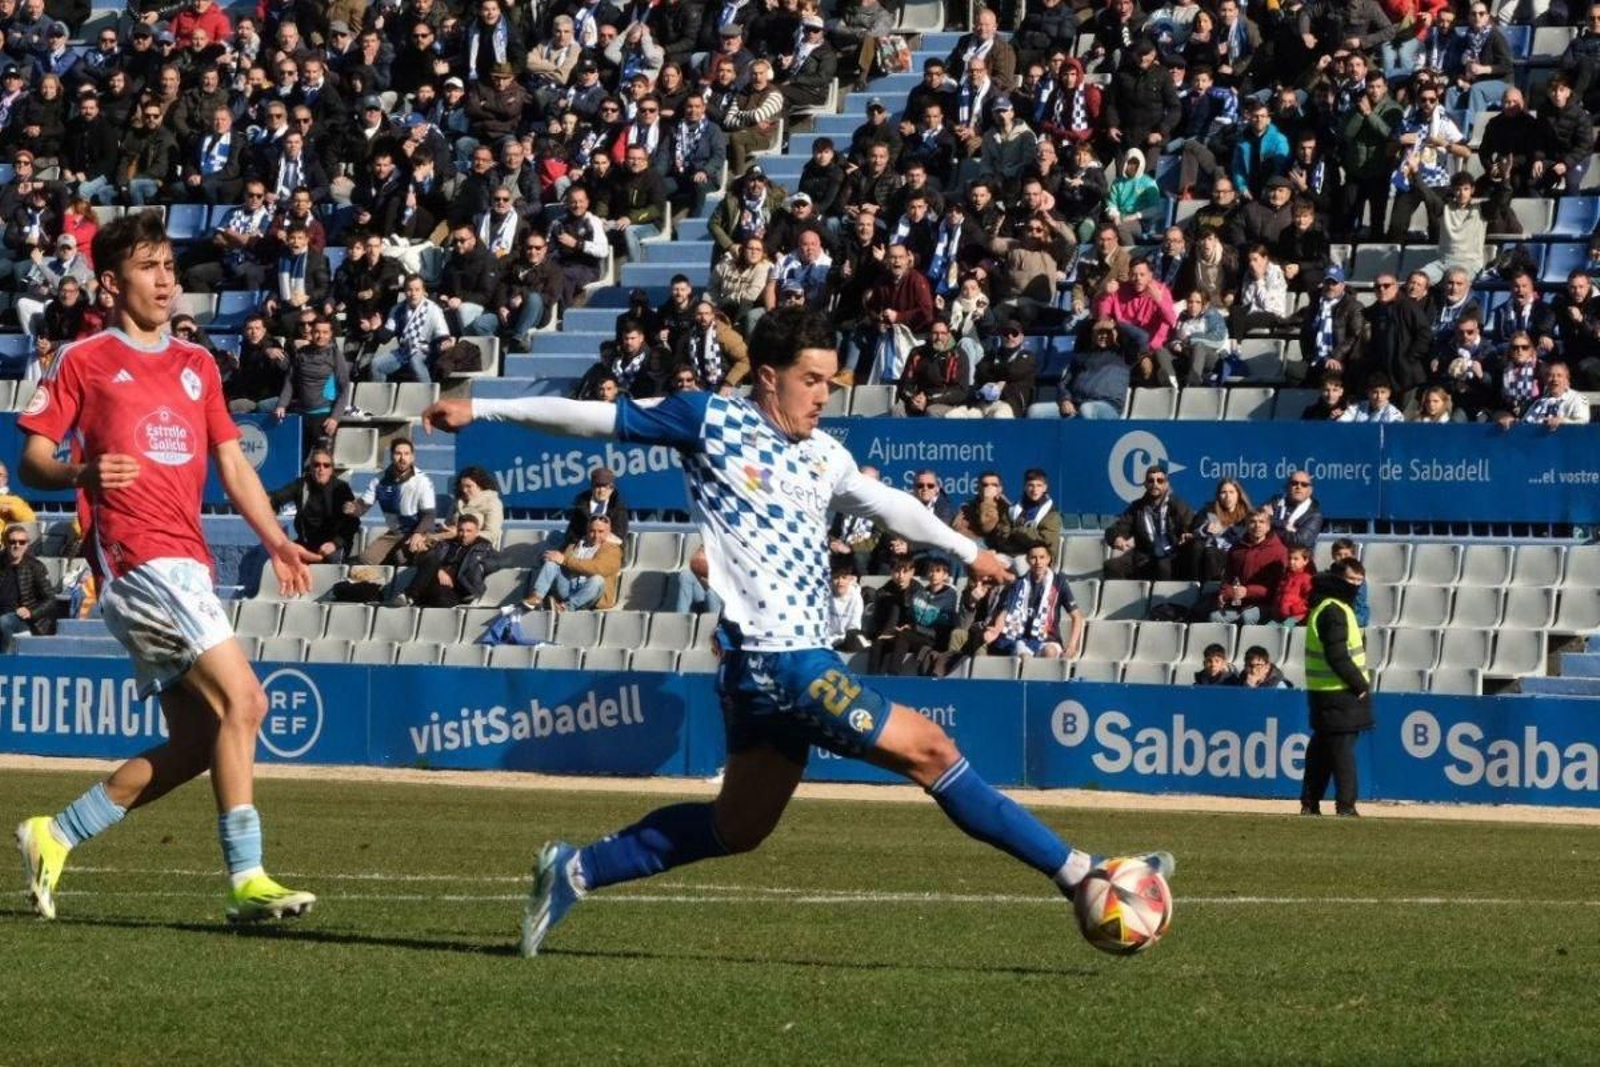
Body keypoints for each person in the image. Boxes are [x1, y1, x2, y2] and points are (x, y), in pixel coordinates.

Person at [420, 306, 1171, 956]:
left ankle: (573, 870)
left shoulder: (822, 453)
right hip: (781, 660)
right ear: (768, 375)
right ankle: (1084, 873)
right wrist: (484, 408)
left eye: (831, 382)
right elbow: (599, 419)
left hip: (771, 668)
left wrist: (970, 549)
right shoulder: (711, 420)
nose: (822, 394)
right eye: (811, 379)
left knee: (738, 826)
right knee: (932, 750)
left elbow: (886, 506)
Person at [13, 211, 318, 924]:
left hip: (186, 559)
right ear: (112, 281)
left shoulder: (198, 363)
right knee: (247, 702)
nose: (165, 279)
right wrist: (81, 470)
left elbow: (232, 462)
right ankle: (248, 878)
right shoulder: (82, 359)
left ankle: (55, 834)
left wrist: (274, 538)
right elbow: (30, 459)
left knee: (200, 743)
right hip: (136, 558)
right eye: (149, 267)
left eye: (169, 267)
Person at [1301, 556, 1372, 817]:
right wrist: (1359, 685)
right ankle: (1346, 805)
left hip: (1325, 691)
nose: (1356, 586)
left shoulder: (1325, 605)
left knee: (1321, 750)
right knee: (1341, 752)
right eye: (1351, 580)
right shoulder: (1335, 610)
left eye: (1360, 581)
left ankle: (1310, 803)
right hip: (1339, 693)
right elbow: (1337, 654)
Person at [982, 541, 1084, 659]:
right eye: (1033, 558)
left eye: (1042, 557)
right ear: (1027, 560)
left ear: (1049, 559)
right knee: (1023, 656)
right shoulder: (1019, 583)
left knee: (1049, 652)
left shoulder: (1059, 583)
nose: (1038, 562)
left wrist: (1071, 646)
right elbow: (1005, 611)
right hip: (1021, 638)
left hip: (1048, 639)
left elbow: (1077, 617)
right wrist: (997, 629)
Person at [347, 437, 438, 566]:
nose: (402, 458)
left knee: (402, 558)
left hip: (419, 531)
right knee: (366, 559)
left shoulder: (423, 481)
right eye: (398, 453)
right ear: (391, 456)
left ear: (412, 457)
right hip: (395, 533)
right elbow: (362, 506)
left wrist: (418, 533)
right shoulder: (379, 480)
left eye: (406, 454)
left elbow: (429, 515)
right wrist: (353, 509)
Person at [1103, 466, 1196, 581]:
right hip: (1145, 557)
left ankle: (1163, 599)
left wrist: (1187, 534)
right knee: (1112, 567)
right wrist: (1116, 538)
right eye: (1151, 481)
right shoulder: (1137, 508)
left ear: (1166, 484)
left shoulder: (1178, 506)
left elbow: (1191, 526)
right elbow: (1118, 527)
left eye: (1160, 481)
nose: (1155, 484)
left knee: (1163, 565)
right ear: (1145, 484)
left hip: (1173, 557)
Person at [268, 448, 359, 563]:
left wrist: (335, 544)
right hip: (306, 544)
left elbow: (353, 523)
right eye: (317, 465)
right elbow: (277, 497)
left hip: (333, 545)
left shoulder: (341, 489)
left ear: (332, 470)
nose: (321, 469)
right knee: (282, 559)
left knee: (331, 560)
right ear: (311, 468)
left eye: (326, 465)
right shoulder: (301, 485)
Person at [523, 511, 623, 611]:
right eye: (592, 531)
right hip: (569, 586)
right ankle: (536, 597)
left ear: (609, 531)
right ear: (587, 530)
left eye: (601, 531)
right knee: (552, 563)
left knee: (597, 580)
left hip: (589, 593)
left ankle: (566, 607)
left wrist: (565, 560)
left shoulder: (613, 549)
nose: (596, 535)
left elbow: (598, 568)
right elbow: (562, 563)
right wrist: (552, 557)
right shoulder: (575, 545)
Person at [395, 513, 496, 608]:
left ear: (477, 532)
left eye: (469, 531)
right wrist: (439, 570)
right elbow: (424, 558)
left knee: (440, 597)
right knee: (431, 558)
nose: (464, 534)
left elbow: (475, 570)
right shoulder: (447, 543)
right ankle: (411, 596)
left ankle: (411, 596)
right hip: (434, 581)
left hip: (457, 588)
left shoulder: (484, 548)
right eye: (461, 530)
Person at [1207, 508, 1286, 625]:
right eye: (1253, 522)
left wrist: (1248, 591)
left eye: (1262, 522)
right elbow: (1227, 577)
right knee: (1215, 617)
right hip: (1238, 603)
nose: (1257, 525)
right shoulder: (1236, 549)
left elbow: (1278, 587)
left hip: (1266, 604)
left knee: (1247, 617)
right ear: (1247, 525)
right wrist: (1224, 593)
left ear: (1268, 526)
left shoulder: (1279, 551)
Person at [0, 522, 59, 651]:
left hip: (25, 620)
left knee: (4, 622)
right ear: (5, 542)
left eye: (22, 542)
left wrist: (31, 613)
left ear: (27, 545)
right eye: (12, 541)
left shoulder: (35, 567)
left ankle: (4, 665)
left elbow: (51, 600)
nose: (17, 545)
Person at [1264, 471, 1322, 550]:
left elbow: (1300, 542)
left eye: (1304, 485)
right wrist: (1284, 525)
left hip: (1294, 560)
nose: (1299, 487)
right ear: (1287, 486)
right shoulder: (1275, 501)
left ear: (1310, 490)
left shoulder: (1314, 515)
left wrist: (1271, 522)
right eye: (1294, 483)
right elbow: (1258, 525)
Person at [1273, 546, 1313, 627]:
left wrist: (1293, 609)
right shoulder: (1284, 578)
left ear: (1305, 561)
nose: (1291, 562)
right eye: (1289, 558)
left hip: (1296, 617)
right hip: (1280, 616)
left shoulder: (1306, 578)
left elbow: (1309, 600)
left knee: (1284, 628)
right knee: (1267, 629)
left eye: (1296, 559)